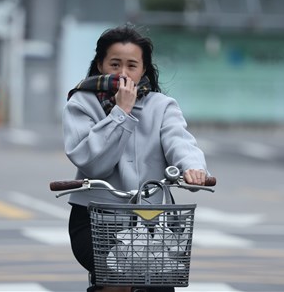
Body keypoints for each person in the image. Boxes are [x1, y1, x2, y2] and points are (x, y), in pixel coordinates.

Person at [63, 24, 210, 292]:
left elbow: (180, 141)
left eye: (132, 65)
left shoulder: (162, 106)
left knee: (160, 284)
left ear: (143, 69)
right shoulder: (81, 104)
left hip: (150, 220)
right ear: (100, 65)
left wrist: (192, 168)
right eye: (115, 64)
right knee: (118, 281)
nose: (123, 73)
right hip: (95, 218)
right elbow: (92, 162)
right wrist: (121, 111)